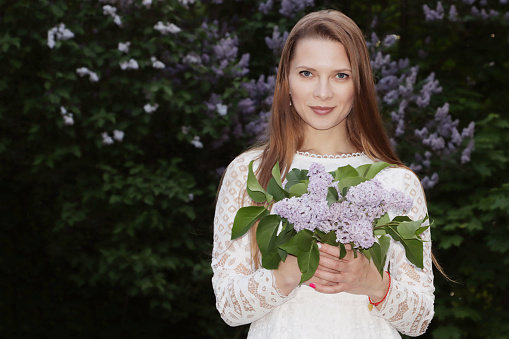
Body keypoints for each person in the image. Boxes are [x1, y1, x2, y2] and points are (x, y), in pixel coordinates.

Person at [212, 9, 434, 338]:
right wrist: (285, 275)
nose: (323, 92)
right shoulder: (252, 172)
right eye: (307, 73)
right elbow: (229, 308)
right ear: (286, 80)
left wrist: (373, 282)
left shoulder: (396, 182)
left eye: (341, 75)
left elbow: (419, 319)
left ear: (360, 84)